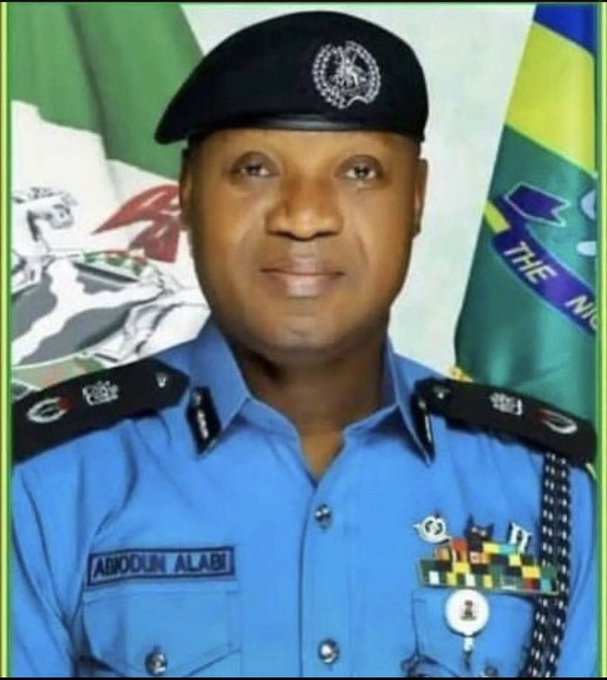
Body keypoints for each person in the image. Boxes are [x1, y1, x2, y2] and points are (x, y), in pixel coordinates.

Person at [11, 10, 596, 678]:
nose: (305, 216)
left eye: (360, 172)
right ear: (186, 193)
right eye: (255, 169)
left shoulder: (545, 491)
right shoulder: (48, 484)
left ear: (416, 199)